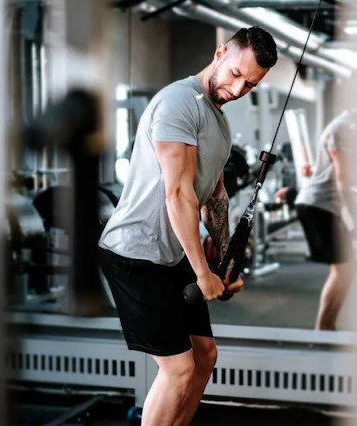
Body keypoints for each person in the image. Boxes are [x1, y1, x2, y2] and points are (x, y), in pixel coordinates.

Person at [98, 27, 278, 425]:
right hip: (135, 253)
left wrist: (226, 262)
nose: (238, 89)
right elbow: (178, 195)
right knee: (178, 369)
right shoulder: (179, 102)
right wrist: (201, 273)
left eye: (250, 85)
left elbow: (216, 196)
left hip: (171, 252)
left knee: (205, 356)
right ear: (220, 53)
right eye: (236, 74)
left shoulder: (219, 122)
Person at [274, 107, 357, 331]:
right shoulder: (342, 129)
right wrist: (356, 220)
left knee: (346, 270)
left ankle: (326, 328)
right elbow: (342, 179)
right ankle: (324, 329)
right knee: (344, 270)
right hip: (318, 205)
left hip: (323, 205)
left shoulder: (350, 129)